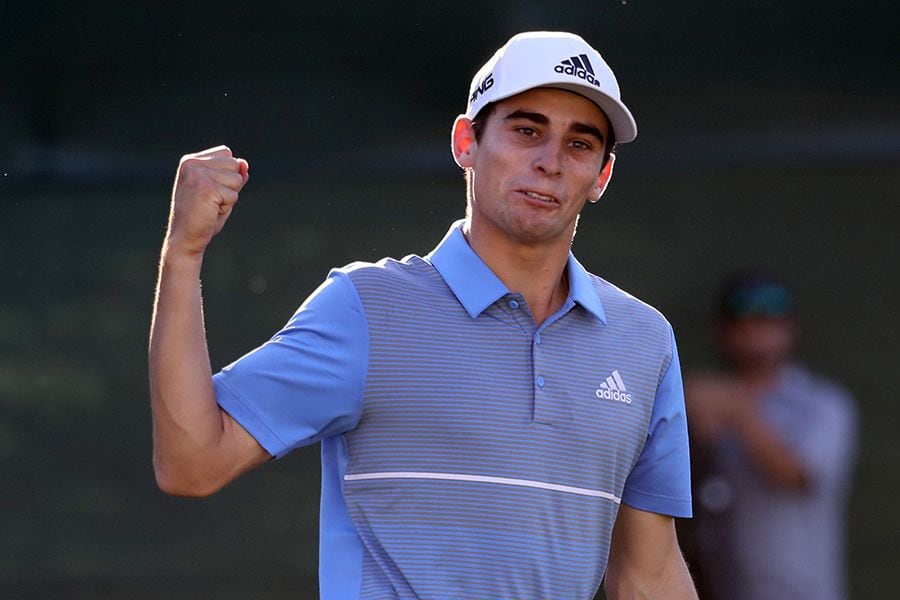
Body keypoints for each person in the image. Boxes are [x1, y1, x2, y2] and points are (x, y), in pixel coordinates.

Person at [149, 31, 697, 599]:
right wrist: (182, 253)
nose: (550, 162)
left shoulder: (643, 340)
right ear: (466, 142)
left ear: (602, 176)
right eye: (526, 130)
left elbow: (649, 574)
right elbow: (192, 462)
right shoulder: (366, 307)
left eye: (580, 144)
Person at [685, 273, 857, 600]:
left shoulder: (825, 405)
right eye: (743, 319)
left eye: (769, 318)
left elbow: (796, 476)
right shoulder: (701, 400)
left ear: (791, 328)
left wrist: (738, 409)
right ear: (722, 332)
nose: (756, 328)